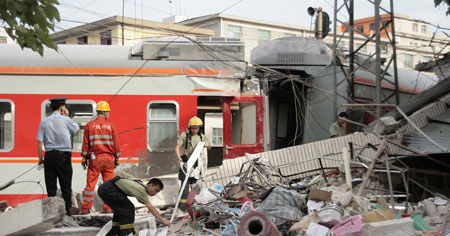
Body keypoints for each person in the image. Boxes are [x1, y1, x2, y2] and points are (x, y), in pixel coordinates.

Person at [37, 97, 80, 216]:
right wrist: (66, 115)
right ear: (62, 107)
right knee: (65, 185)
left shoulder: (44, 122)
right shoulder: (65, 120)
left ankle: (53, 212)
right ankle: (66, 212)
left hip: (49, 156)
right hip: (63, 156)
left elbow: (40, 142)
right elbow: (77, 130)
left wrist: (41, 158)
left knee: (51, 186)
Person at [80, 101, 121, 214]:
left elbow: (85, 144)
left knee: (90, 185)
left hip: (95, 159)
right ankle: (108, 208)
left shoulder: (89, 125)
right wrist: (117, 158)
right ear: (104, 111)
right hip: (108, 159)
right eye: (108, 111)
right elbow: (116, 144)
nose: (108, 114)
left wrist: (84, 158)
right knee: (108, 185)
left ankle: (85, 209)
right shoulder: (111, 126)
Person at [98, 176, 170, 235]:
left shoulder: (139, 182)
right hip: (109, 190)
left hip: (106, 187)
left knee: (120, 210)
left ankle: (115, 231)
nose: (155, 193)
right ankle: (126, 233)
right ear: (149, 185)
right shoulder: (141, 191)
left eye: (157, 192)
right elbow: (150, 207)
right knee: (127, 208)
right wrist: (163, 220)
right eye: (155, 190)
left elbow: (122, 176)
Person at [175, 116, 211, 210]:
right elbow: (177, 147)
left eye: (197, 128)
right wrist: (179, 157)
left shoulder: (202, 137)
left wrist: (207, 146)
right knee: (185, 188)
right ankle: (182, 208)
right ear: (190, 128)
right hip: (187, 163)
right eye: (193, 128)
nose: (195, 130)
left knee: (196, 187)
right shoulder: (185, 136)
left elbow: (209, 146)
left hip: (197, 165)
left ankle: (195, 207)